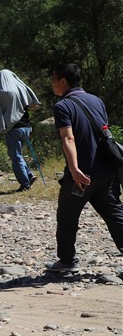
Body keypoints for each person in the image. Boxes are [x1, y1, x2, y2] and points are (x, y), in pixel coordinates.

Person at [46, 62, 123, 274]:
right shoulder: (96, 100)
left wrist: (74, 169)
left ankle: (67, 261)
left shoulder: (62, 106)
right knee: (115, 214)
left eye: (54, 79)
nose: (52, 84)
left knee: (67, 217)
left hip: (82, 174)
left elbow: (68, 138)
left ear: (63, 81)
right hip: (107, 171)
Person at [0, 69, 41, 191]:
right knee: (17, 154)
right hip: (27, 127)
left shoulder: (2, 91)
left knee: (15, 156)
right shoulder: (21, 88)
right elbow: (34, 106)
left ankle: (25, 183)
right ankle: (29, 175)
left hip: (13, 128)